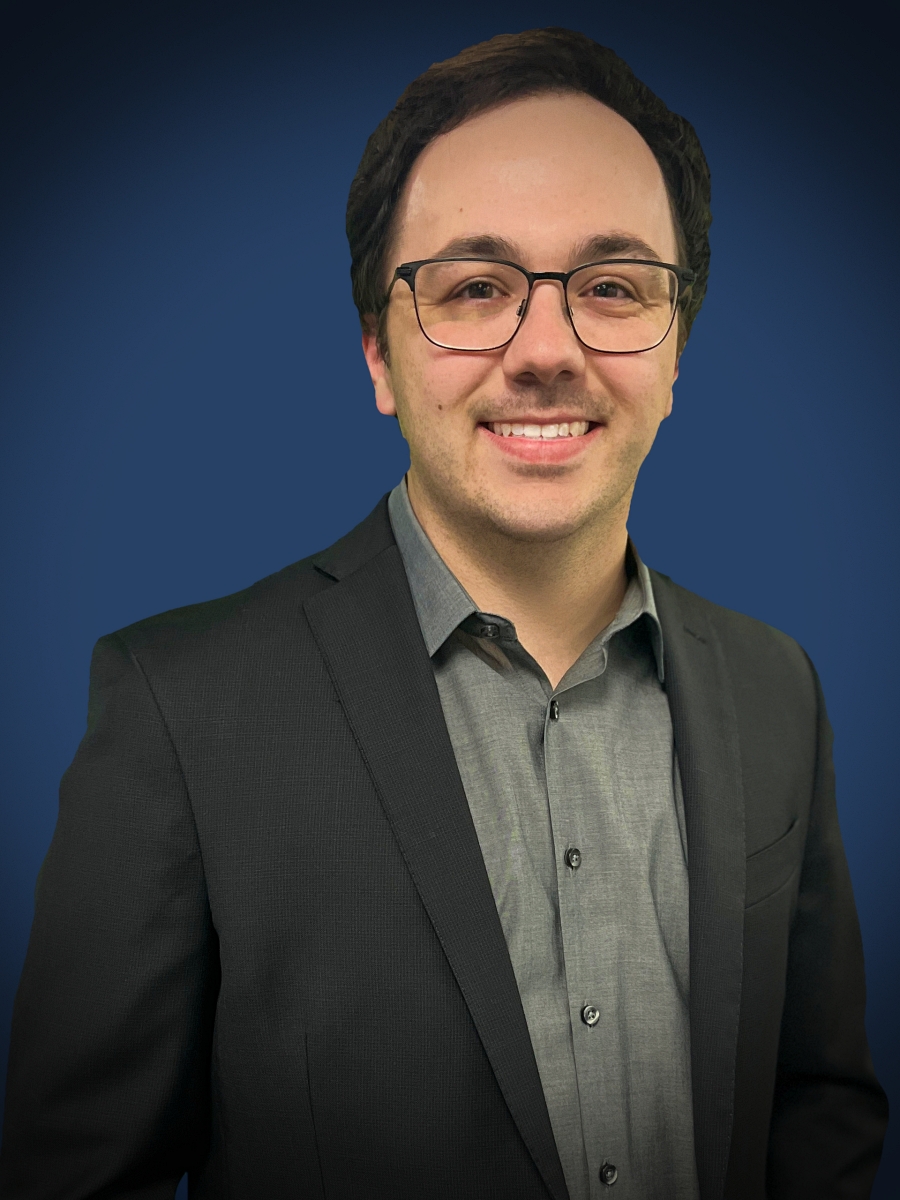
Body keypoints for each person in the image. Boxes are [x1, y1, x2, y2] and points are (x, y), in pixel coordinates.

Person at [0, 26, 888, 1200]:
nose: (546, 351)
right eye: (475, 288)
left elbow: (818, 1107)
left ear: (677, 350)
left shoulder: (780, 688)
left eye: (612, 287)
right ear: (379, 354)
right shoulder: (179, 708)